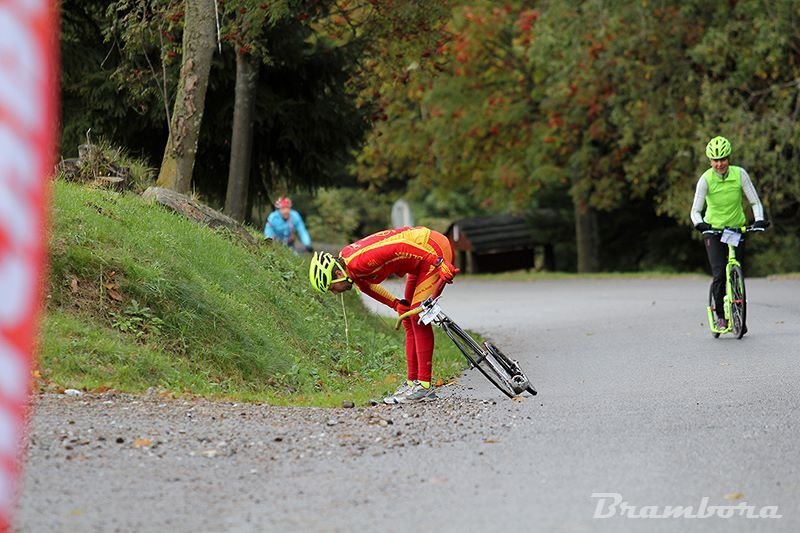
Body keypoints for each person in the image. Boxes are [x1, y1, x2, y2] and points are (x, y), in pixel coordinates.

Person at [308, 226, 458, 404]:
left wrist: (439, 262)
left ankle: (424, 387)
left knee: (418, 317)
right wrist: (395, 304)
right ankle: (413, 383)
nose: (335, 293)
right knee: (409, 320)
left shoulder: (358, 261)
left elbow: (400, 245)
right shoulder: (349, 265)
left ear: (338, 274)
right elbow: (366, 286)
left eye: (332, 287)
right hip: (419, 261)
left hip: (432, 249)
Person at [690, 136, 768, 331]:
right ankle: (721, 316)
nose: (719, 164)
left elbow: (755, 202)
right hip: (713, 231)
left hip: (735, 230)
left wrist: (758, 219)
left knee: (736, 272)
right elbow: (695, 211)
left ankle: (738, 314)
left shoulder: (740, 174)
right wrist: (700, 224)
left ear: (728, 158)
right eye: (715, 160)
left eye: (723, 159)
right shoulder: (705, 180)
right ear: (710, 161)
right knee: (719, 274)